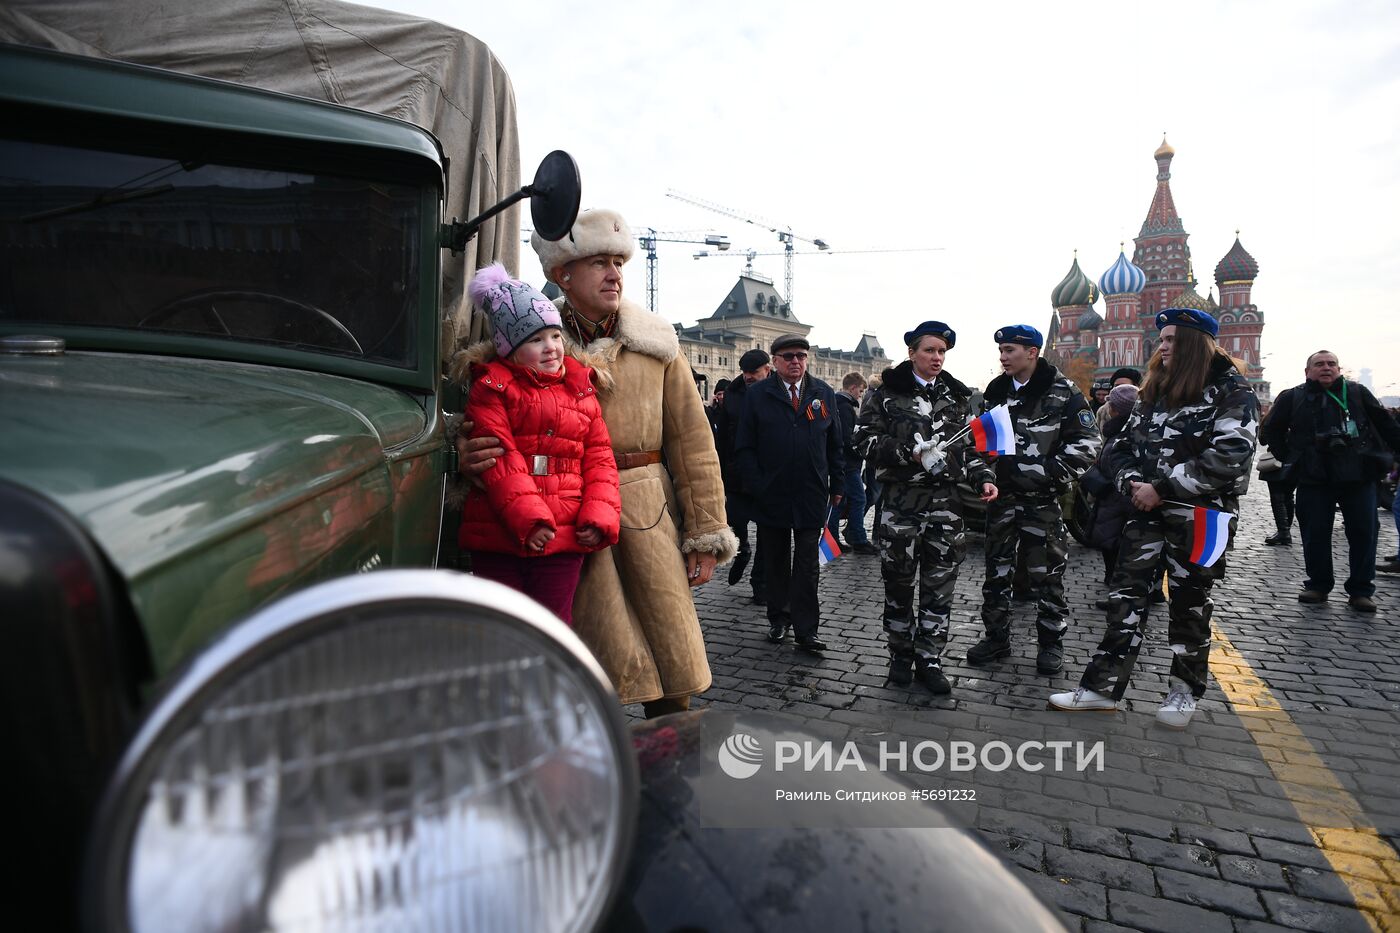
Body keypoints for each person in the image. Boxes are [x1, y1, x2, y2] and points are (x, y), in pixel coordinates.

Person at [461, 207, 738, 718]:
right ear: (561, 273)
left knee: (671, 668)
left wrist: (705, 530)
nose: (615, 274)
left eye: (619, 261)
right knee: (579, 670)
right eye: (598, 263)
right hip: (562, 521)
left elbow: (694, 445)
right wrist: (468, 451)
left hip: (645, 512)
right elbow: (483, 420)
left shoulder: (657, 344)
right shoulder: (522, 342)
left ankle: (668, 777)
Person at [1051, 308, 1258, 728]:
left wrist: (1161, 489)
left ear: (1195, 344)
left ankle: (1183, 693)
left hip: (1200, 518)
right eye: (1161, 339)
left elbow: (1232, 455)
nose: (1161, 346)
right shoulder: (1154, 389)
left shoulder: (1232, 391)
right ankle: (1100, 690)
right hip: (1145, 515)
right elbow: (1118, 448)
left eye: (1170, 340)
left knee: (1190, 605)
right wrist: (1133, 486)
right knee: (1125, 599)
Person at [457, 264, 621, 622]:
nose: (550, 348)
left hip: (563, 535)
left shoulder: (581, 389)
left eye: (555, 336)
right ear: (509, 349)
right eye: (534, 340)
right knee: (503, 628)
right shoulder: (493, 388)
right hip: (501, 533)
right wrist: (530, 520)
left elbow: (600, 460)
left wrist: (599, 515)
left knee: (552, 625)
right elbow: (500, 459)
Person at [854, 321, 997, 692]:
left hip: (946, 508)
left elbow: (969, 448)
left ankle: (930, 659)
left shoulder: (955, 396)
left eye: (942, 352)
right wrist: (908, 453)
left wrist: (983, 477)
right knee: (899, 583)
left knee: (940, 586)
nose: (937, 357)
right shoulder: (887, 393)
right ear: (912, 353)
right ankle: (900, 655)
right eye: (930, 350)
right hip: (901, 505)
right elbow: (863, 441)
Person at [969, 325, 1101, 675]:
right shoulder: (995, 392)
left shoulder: (1064, 392)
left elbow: (1088, 444)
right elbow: (979, 444)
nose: (1003, 356)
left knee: (1047, 576)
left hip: (1042, 503)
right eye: (1000, 350)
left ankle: (1050, 643)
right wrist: (984, 474)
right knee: (997, 573)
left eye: (1010, 349)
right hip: (1001, 501)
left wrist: (1045, 473)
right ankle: (996, 636)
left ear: (1032, 352)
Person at [1262, 351, 1400, 612]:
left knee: (1364, 533)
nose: (1326, 368)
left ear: (1339, 368)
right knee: (1315, 534)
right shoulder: (1294, 397)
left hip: (1358, 476)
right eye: (1319, 364)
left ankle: (1361, 590)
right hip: (1314, 478)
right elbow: (1272, 429)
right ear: (1307, 371)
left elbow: (1386, 425)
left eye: (1331, 364)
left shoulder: (1357, 393)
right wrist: (1291, 456)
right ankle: (1317, 585)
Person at [735, 334, 844, 652]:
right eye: (788, 356)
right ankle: (779, 619)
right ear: (775, 362)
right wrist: (757, 483)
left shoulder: (822, 393)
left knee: (809, 564)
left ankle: (807, 630)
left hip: (811, 491)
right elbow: (744, 446)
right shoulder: (757, 395)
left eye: (801, 356)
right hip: (773, 493)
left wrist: (837, 484)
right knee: (776, 560)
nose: (796, 361)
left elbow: (835, 443)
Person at [719, 349, 773, 599]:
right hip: (737, 473)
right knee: (735, 522)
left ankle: (760, 583)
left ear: (767, 370)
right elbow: (721, 438)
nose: (749, 376)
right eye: (745, 371)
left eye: (754, 372)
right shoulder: (731, 394)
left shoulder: (776, 392)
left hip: (767, 475)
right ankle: (742, 551)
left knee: (767, 532)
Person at [1082, 383, 1139, 604]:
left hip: (1117, 499)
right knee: (1116, 548)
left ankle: (1120, 597)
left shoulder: (1123, 432)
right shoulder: (1119, 429)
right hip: (1113, 498)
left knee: (1120, 549)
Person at [830, 372, 877, 554]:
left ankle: (834, 539)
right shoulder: (845, 406)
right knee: (858, 499)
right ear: (852, 388)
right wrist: (860, 452)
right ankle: (857, 538)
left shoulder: (840, 404)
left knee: (839, 502)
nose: (861, 394)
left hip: (844, 463)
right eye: (860, 390)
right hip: (847, 464)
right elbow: (846, 438)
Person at [1257, 387, 1295, 545]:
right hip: (1293, 461)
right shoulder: (1298, 416)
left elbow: (1263, 438)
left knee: (1278, 497)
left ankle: (1283, 531)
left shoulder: (1272, 416)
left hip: (1277, 461)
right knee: (1288, 496)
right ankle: (1285, 530)